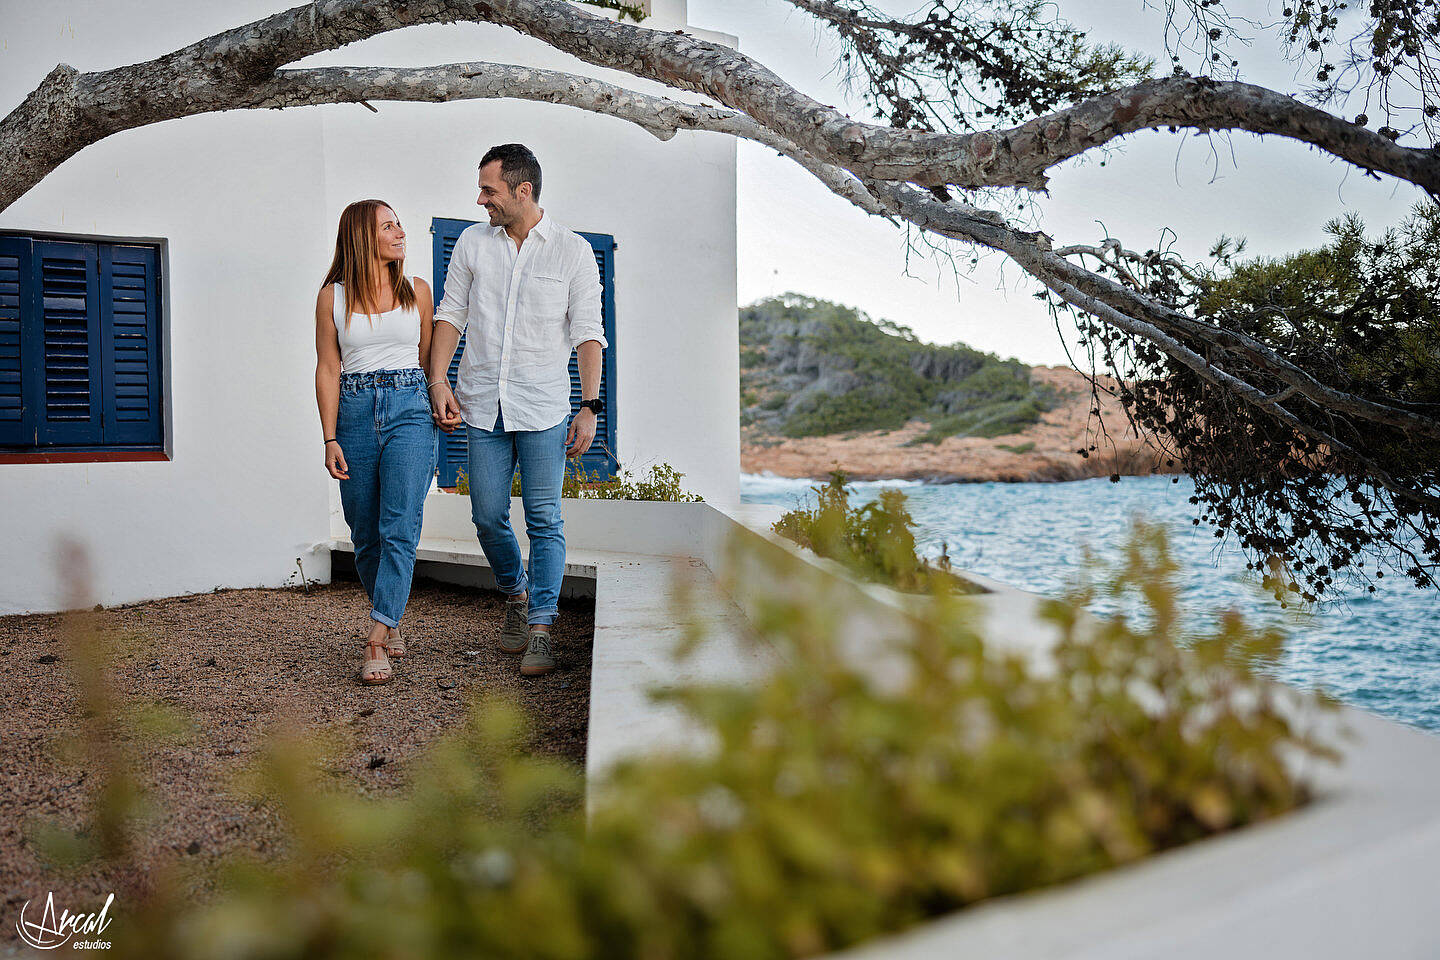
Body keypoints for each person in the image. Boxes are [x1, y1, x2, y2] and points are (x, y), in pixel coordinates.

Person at [427, 143, 607, 677]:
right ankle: (516, 592)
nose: (481, 199)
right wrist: (438, 379)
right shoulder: (471, 244)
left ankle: (542, 628)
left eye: (489, 190)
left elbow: (588, 334)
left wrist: (590, 406)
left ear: (522, 190)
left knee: (545, 518)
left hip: (545, 406)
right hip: (481, 404)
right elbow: (450, 314)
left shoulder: (572, 251)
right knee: (486, 514)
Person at [315, 199, 438, 685]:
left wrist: (439, 399)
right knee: (365, 532)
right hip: (355, 411)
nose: (400, 232)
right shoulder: (332, 297)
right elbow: (328, 369)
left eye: (399, 223)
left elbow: (428, 367)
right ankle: (392, 615)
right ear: (365, 237)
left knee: (400, 525)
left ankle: (376, 634)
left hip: (410, 407)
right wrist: (329, 437)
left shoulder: (418, 292)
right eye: (389, 226)